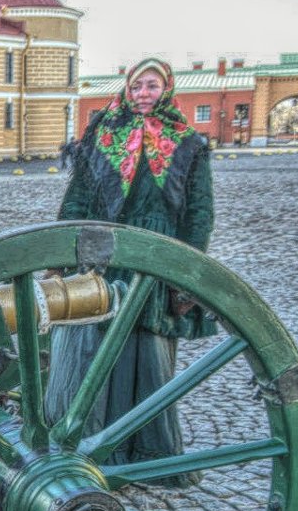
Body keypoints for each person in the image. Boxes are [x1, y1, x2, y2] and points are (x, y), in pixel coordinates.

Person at [44, 57, 215, 487]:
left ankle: (148, 452)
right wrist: (63, 252)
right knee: (92, 345)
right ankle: (89, 447)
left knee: (148, 352)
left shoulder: (188, 144)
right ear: (126, 88)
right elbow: (79, 197)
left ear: (167, 90)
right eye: (138, 85)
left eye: (152, 86)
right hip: (104, 253)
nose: (143, 94)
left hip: (156, 258)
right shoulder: (101, 137)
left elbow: (199, 212)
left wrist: (188, 266)